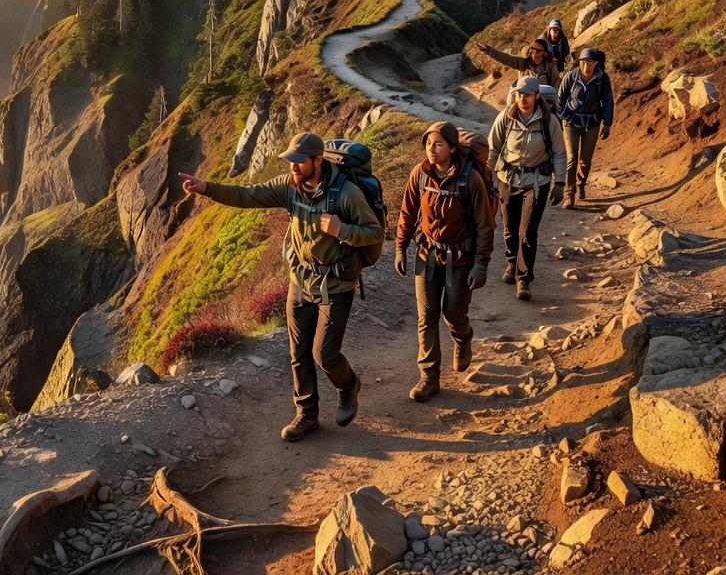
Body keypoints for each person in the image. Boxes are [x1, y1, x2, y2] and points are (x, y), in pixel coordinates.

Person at [178, 132, 383, 441]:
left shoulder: (346, 193)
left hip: (336, 283)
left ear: (317, 161)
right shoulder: (289, 188)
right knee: (298, 353)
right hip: (300, 281)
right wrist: (207, 188)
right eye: (291, 162)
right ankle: (306, 414)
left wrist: (342, 230)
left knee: (324, 355)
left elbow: (374, 233)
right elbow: (247, 196)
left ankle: (348, 386)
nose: (294, 168)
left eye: (300, 162)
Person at [394, 121, 494, 403]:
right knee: (426, 318)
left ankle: (463, 339)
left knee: (453, 314)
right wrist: (400, 247)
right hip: (426, 256)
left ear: (452, 148)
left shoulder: (470, 180)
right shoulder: (420, 174)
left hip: (460, 260)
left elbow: (485, 225)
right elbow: (407, 212)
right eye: (428, 143)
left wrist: (481, 264)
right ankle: (429, 377)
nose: (431, 149)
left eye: (438, 144)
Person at [488, 76, 566, 302]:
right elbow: (493, 149)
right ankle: (512, 264)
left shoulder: (548, 121)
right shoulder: (506, 117)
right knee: (510, 229)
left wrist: (560, 182)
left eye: (528, 95)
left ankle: (524, 279)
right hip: (507, 180)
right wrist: (485, 178)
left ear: (537, 96)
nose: (523, 99)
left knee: (527, 232)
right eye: (520, 94)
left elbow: (560, 153)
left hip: (536, 183)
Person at [556, 48, 614, 208]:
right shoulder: (571, 76)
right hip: (571, 122)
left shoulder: (602, 78)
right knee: (571, 158)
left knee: (585, 160)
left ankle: (581, 184)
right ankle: (569, 193)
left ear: (595, 63)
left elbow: (608, 101)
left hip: (592, 122)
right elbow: (560, 98)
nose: (585, 65)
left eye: (589, 62)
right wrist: (563, 117)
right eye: (582, 61)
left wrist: (607, 124)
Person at [473, 37, 561, 89]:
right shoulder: (523, 63)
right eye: (531, 48)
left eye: (535, 49)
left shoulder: (551, 68)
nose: (531, 51)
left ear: (542, 53)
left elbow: (555, 89)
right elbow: (505, 58)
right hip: (522, 99)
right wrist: (487, 50)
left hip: (543, 103)